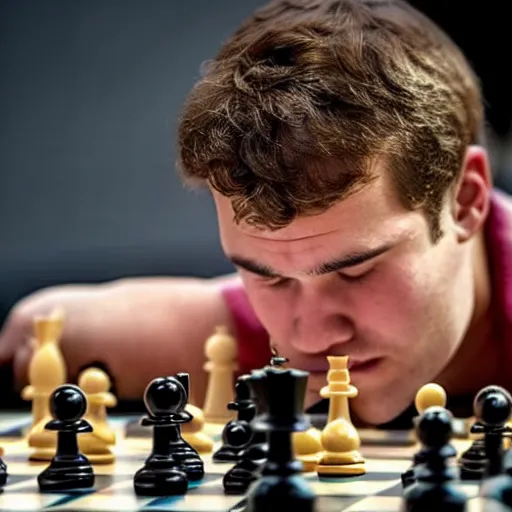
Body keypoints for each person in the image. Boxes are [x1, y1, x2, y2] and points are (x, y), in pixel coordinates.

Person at [1, 0, 511, 427]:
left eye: (355, 271)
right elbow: (43, 328)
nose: (308, 338)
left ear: (466, 199)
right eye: (267, 277)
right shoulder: (245, 339)